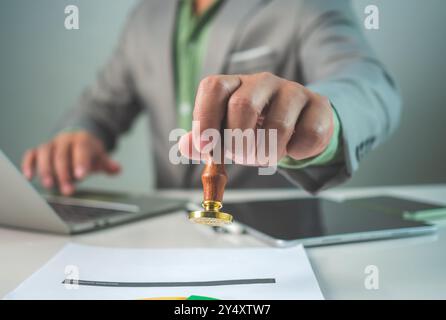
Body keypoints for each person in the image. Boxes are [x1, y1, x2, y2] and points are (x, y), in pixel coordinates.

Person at [21, 0, 401, 196]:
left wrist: (326, 119)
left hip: (275, 247)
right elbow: (102, 106)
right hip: (166, 242)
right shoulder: (147, 16)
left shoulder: (306, 4)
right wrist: (81, 133)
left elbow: (370, 83)